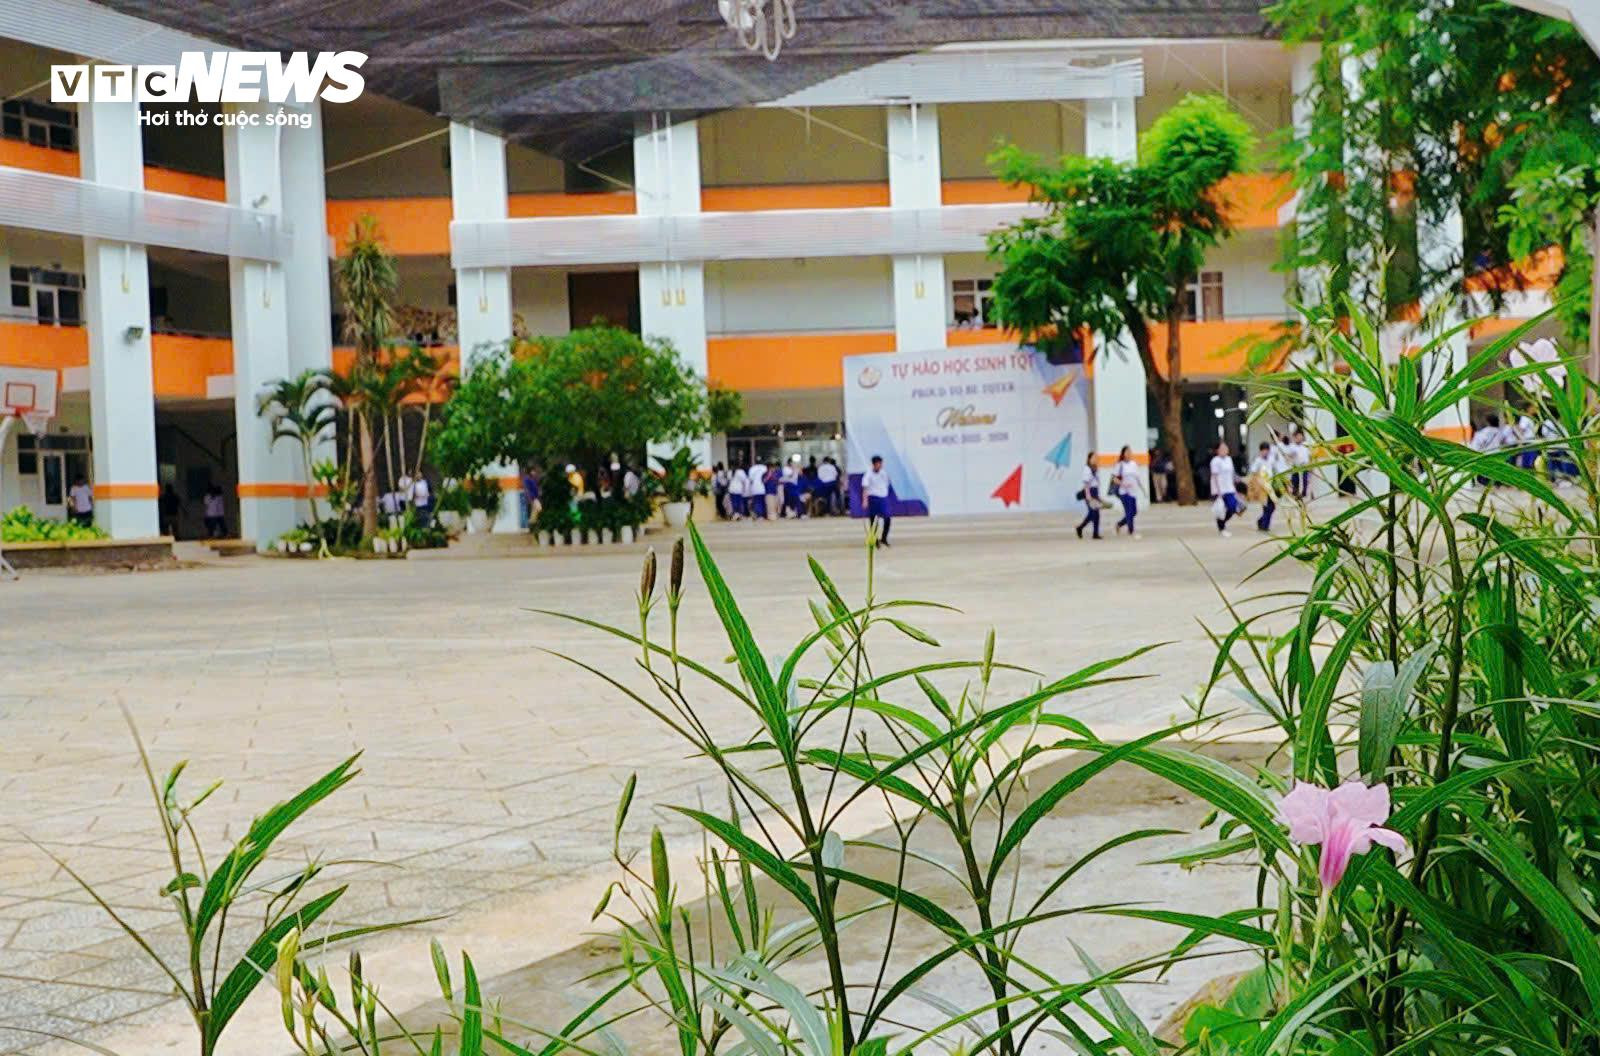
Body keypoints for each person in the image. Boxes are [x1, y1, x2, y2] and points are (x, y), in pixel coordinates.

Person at [1248, 441, 1283, 533]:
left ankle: (1261, 522)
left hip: (1271, 486)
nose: (1265, 452)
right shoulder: (1258, 460)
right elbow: (1253, 472)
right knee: (1266, 507)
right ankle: (1264, 525)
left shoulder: (1271, 459)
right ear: (1260, 451)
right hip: (1262, 487)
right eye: (1263, 450)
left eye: (1267, 450)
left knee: (1272, 507)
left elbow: (1275, 469)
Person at [1210, 441, 1242, 536]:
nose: (1225, 450)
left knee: (1232, 507)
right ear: (1217, 450)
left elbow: (1232, 474)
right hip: (1220, 489)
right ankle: (1222, 528)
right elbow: (1215, 476)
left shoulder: (1229, 459)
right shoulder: (1215, 461)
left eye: (1226, 448)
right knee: (1220, 509)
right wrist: (1218, 491)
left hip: (1230, 488)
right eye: (1222, 448)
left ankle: (1222, 523)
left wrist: (1235, 488)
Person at [1111, 445, 1142, 538]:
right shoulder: (1120, 465)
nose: (1128, 453)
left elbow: (1137, 477)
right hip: (1124, 491)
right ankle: (1131, 530)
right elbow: (1114, 478)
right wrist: (1123, 484)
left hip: (1133, 491)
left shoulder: (1134, 464)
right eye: (1127, 452)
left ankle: (1119, 524)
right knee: (1129, 511)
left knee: (1134, 511)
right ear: (1123, 453)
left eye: (1130, 451)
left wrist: (1141, 487)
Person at [862, 454, 892, 547]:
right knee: (874, 520)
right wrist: (865, 500)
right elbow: (865, 488)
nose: (880, 465)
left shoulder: (884, 473)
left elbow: (887, 484)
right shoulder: (868, 474)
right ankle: (875, 540)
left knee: (887, 518)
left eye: (881, 463)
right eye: (879, 464)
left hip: (883, 498)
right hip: (873, 497)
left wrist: (884, 494)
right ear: (874, 464)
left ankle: (884, 538)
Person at [1075, 453, 1103, 540]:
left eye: (1096, 458)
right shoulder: (1087, 469)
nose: (1095, 459)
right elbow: (1086, 483)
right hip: (1089, 492)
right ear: (1089, 459)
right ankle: (1082, 528)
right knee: (1093, 513)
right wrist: (1088, 495)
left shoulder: (1095, 469)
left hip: (1095, 492)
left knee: (1095, 514)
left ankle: (1094, 533)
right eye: (1093, 458)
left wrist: (1098, 495)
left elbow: (1096, 482)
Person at [1285, 428, 1311, 500]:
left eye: (1300, 436)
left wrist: (1310, 465)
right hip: (1296, 467)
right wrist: (1291, 456)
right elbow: (1288, 456)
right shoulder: (1292, 446)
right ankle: (1296, 494)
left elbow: (1309, 456)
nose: (1299, 438)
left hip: (1305, 467)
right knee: (1295, 482)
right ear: (1294, 437)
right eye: (1297, 436)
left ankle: (1303, 494)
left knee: (1305, 481)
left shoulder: (1305, 445)